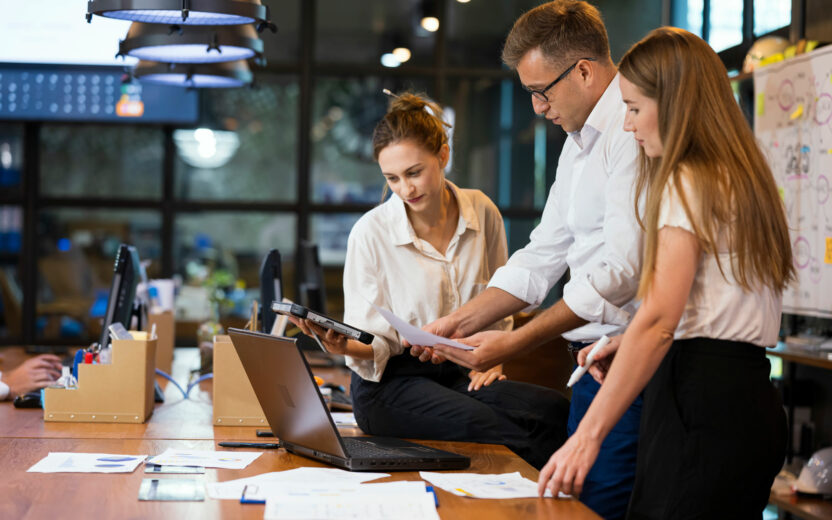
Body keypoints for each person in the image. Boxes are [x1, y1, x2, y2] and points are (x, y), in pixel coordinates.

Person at [537, 27, 792, 518]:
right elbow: (707, 303)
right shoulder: (741, 174)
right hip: (748, 396)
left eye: (634, 108)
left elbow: (660, 320)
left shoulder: (686, 177)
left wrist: (587, 437)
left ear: (675, 103)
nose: (628, 125)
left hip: (699, 401)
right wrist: (625, 338)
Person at [417, 2, 643, 517]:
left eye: (541, 91)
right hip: (588, 370)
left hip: (627, 369)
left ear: (583, 70)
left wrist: (513, 343)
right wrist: (461, 321)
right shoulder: (577, 140)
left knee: (595, 511)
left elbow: (619, 274)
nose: (538, 108)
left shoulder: (631, 134)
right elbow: (543, 253)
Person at [292, 91, 569, 470]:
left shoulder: (482, 212)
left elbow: (500, 296)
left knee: (553, 410)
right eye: (392, 178)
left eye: (414, 172)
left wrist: (493, 359)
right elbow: (375, 348)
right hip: (389, 386)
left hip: (458, 374)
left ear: (442, 155)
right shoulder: (370, 233)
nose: (406, 189)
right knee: (501, 428)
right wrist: (339, 346)